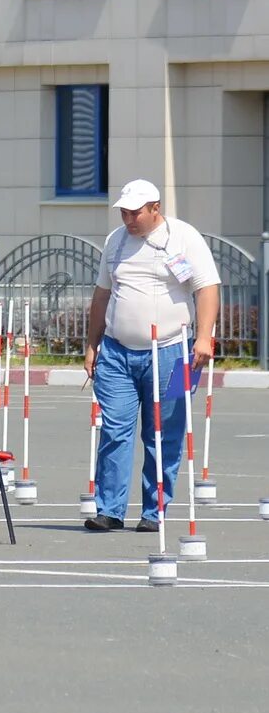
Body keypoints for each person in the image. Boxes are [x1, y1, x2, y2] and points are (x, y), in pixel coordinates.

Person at [83, 179, 220, 533]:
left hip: (174, 352)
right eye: (125, 213)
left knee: (164, 433)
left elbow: (206, 288)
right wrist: (91, 344)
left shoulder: (183, 238)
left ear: (155, 208)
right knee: (114, 429)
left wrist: (203, 337)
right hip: (116, 351)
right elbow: (102, 295)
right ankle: (109, 509)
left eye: (135, 213)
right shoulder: (116, 241)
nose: (129, 219)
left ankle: (154, 511)